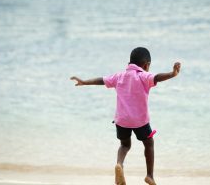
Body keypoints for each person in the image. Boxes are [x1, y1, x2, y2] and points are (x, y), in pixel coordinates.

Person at [70, 47, 181, 185]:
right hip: (140, 121)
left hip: (122, 121)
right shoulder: (143, 76)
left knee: (124, 145)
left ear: (130, 63)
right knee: (149, 143)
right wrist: (172, 74)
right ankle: (149, 176)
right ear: (146, 65)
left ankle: (119, 164)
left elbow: (102, 80)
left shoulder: (119, 76)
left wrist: (85, 82)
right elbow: (157, 77)